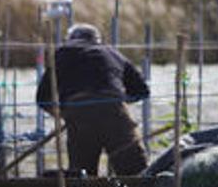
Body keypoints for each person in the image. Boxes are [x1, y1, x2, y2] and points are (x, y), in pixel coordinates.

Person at [36, 23, 149, 176]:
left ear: (69, 39)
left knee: (83, 177)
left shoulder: (63, 52)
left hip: (79, 113)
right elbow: (142, 91)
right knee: (135, 171)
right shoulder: (112, 52)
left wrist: (63, 115)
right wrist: (115, 102)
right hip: (115, 111)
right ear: (98, 40)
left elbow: (43, 98)